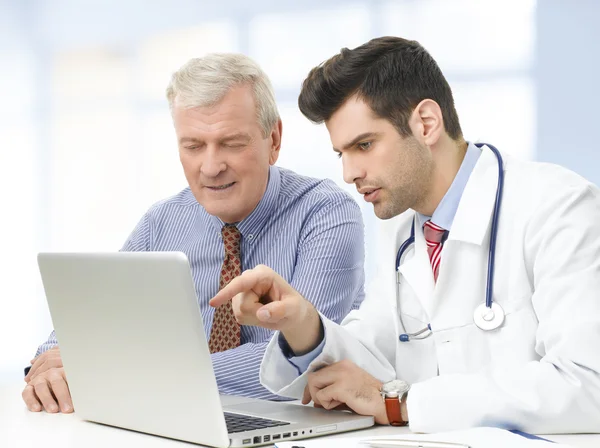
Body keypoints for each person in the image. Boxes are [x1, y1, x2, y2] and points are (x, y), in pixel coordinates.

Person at [210, 36, 600, 434]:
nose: (349, 174)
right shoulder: (402, 229)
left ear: (426, 123)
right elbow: (372, 357)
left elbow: (588, 384)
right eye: (341, 154)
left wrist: (405, 404)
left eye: (364, 145)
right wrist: (302, 323)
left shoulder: (559, 207)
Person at [22, 53, 366, 414]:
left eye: (232, 143)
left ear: (274, 140)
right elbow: (90, 318)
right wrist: (52, 364)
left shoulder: (326, 214)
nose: (212, 167)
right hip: (172, 419)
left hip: (289, 425)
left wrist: (132, 373)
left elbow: (298, 354)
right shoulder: (162, 222)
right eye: (193, 146)